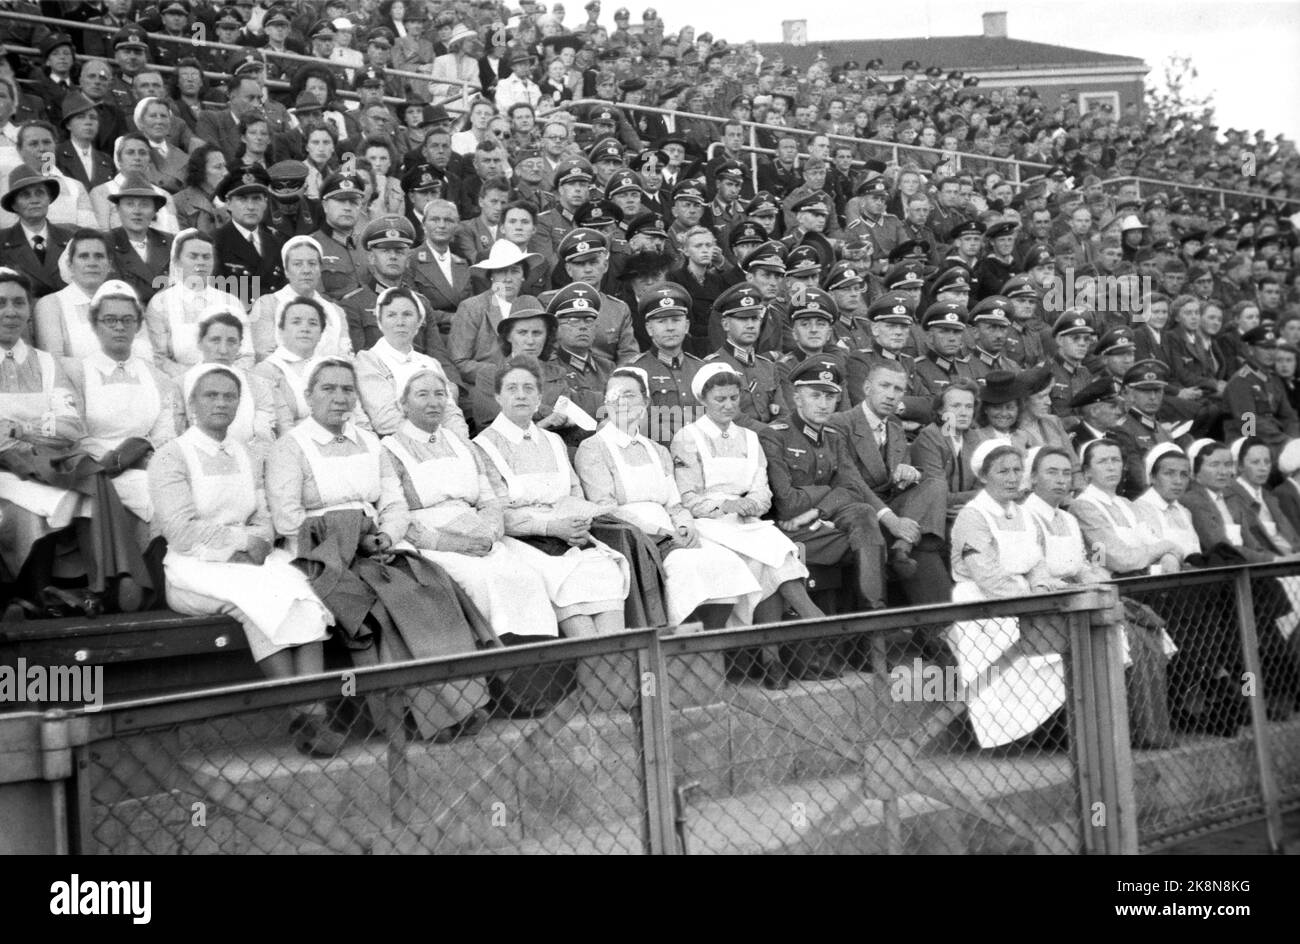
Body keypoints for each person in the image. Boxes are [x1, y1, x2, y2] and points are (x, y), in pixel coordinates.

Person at [267, 356, 495, 743]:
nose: (340, 398)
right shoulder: (291, 448)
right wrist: (352, 534)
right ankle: (409, 719)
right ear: (308, 396)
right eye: (328, 388)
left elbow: (394, 504)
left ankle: (461, 702)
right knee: (382, 607)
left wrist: (387, 536)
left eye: (347, 389)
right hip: (320, 553)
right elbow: (288, 519)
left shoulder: (369, 442)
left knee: (432, 585)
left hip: (375, 546)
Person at [148, 364, 337, 756]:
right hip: (193, 569)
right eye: (210, 395)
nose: (221, 402)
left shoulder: (246, 452)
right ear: (192, 404)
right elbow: (181, 531)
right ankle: (309, 715)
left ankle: (308, 716)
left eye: (229, 396)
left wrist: (260, 541)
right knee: (255, 604)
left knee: (302, 594)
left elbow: (264, 516)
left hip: (251, 561)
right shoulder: (170, 456)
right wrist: (240, 543)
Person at [576, 367, 761, 628]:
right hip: (634, 538)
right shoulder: (593, 448)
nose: (622, 402)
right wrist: (660, 531)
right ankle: (682, 645)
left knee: (726, 562)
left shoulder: (657, 450)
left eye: (629, 395)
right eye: (614, 396)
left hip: (671, 531)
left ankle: (709, 641)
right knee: (687, 568)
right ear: (606, 403)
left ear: (645, 402)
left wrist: (685, 525)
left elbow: (675, 504)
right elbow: (606, 507)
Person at [383, 368, 558, 641]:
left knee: (526, 578)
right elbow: (396, 515)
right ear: (403, 404)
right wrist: (451, 544)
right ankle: (493, 661)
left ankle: (534, 667)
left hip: (479, 536)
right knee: (479, 581)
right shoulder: (389, 449)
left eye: (440, 394)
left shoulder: (463, 445)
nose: (433, 401)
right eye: (422, 394)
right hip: (433, 543)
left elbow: (489, 500)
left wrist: (489, 534)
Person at [1024, 444, 1177, 749]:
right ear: (1032, 477)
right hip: (1047, 603)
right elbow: (1035, 572)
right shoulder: (1027, 515)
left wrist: (1098, 584)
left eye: (1066, 473)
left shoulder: (1066, 518)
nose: (1060, 480)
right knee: (1129, 634)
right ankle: (1118, 734)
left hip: (1083, 596)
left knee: (1144, 629)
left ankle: (1145, 729)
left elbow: (1083, 563)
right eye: (1051, 472)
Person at [473, 356, 629, 637]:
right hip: (522, 541)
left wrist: (579, 526)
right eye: (512, 388)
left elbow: (574, 493)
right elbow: (494, 513)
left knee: (604, 570)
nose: (521, 395)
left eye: (529, 388)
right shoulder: (482, 446)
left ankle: (614, 672)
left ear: (539, 396)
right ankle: (595, 670)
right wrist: (550, 527)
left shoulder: (554, 441)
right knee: (565, 580)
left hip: (568, 535)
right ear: (497, 396)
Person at [947, 439, 1065, 748]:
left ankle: (1051, 732)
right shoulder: (973, 516)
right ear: (984, 476)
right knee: (1011, 668)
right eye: (1003, 471)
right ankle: (1017, 736)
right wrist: (1031, 600)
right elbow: (987, 577)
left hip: (1025, 598)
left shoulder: (1024, 514)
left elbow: (1037, 560)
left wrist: (1040, 587)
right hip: (985, 606)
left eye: (1017, 470)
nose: (1013, 478)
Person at [759, 359, 887, 616]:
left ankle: (873, 616)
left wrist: (818, 513)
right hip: (788, 532)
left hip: (820, 524)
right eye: (815, 395)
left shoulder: (833, 436)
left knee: (863, 513)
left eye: (830, 397)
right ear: (797, 397)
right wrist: (828, 493)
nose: (823, 404)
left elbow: (851, 489)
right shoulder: (776, 434)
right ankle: (871, 627)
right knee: (871, 544)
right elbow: (787, 504)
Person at [828, 359, 951, 604]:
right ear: (866, 388)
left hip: (890, 506)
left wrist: (908, 475)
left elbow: (895, 482)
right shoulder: (840, 423)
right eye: (884, 386)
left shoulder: (894, 426)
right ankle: (936, 630)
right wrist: (893, 521)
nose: (891, 395)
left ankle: (902, 548)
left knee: (936, 483)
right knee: (926, 547)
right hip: (860, 513)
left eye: (898, 390)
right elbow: (851, 482)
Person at [64, 280, 182, 528]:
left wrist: (147, 455)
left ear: (138, 326)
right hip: (98, 469)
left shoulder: (157, 377)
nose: (119, 327)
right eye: (110, 320)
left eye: (128, 320)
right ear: (95, 325)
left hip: (146, 463)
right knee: (162, 504)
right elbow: (76, 433)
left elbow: (165, 431)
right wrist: (117, 460)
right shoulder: (76, 373)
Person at [355, 286, 467, 437]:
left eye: (407, 314)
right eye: (391, 315)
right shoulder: (368, 360)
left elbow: (450, 412)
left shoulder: (430, 363)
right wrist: (433, 440)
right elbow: (386, 420)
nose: (400, 322)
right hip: (400, 444)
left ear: (419, 321)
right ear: (380, 321)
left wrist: (459, 440)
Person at [144, 228, 250, 377]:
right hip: (180, 381)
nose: (201, 262)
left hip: (229, 380)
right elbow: (159, 357)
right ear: (177, 261)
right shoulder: (161, 303)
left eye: (206, 257)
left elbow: (246, 355)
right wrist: (197, 378)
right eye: (193, 256)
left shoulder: (231, 302)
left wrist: (224, 377)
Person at [180, 313, 278, 467]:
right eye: (215, 340)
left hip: (248, 461)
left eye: (232, 342)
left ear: (240, 346)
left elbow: (263, 437)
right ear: (200, 342)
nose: (223, 350)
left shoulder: (257, 384)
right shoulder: (179, 384)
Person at [449, 240, 542, 387]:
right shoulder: (472, 307)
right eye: (501, 271)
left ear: (524, 275)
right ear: (491, 275)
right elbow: (459, 362)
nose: (508, 279)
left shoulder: (532, 306)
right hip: (487, 388)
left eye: (515, 271)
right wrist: (503, 372)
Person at [249, 235, 351, 360]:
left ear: (320, 269)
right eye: (297, 264)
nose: (306, 270)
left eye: (312, 263)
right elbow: (264, 355)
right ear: (286, 270)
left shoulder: (335, 311)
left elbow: (346, 357)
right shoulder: (267, 304)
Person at [911, 379, 983, 523]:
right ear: (941, 410)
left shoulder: (975, 437)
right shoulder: (930, 437)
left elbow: (985, 484)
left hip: (969, 513)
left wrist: (970, 505)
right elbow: (940, 494)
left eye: (969, 406)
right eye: (956, 406)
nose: (964, 413)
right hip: (932, 518)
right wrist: (980, 497)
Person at [1228, 436, 1300, 558]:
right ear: (1240, 466)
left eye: (1267, 462)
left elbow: (1290, 537)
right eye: (1255, 462)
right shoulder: (1231, 496)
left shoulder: (1269, 497)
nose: (1263, 468)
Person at [171, 144, 228, 236]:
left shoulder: (232, 199)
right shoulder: (177, 203)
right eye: (218, 167)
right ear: (200, 171)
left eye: (225, 166)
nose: (226, 173)